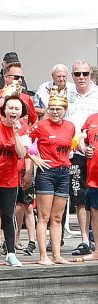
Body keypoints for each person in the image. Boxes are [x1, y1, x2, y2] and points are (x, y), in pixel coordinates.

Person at [28, 88, 76, 265]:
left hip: (64, 172)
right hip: (46, 172)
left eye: (58, 108)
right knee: (44, 216)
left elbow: (70, 146)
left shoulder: (70, 126)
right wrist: (34, 157)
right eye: (52, 108)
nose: (55, 112)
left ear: (65, 109)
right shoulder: (41, 125)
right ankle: (43, 256)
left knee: (58, 217)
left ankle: (57, 254)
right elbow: (25, 139)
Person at [0, 95, 29, 267]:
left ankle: (11, 253)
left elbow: (21, 153)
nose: (13, 111)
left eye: (17, 109)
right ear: (4, 109)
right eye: (10, 108)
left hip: (10, 179)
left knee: (7, 216)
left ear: (21, 112)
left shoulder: (23, 128)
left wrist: (16, 133)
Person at [66, 60, 98, 255]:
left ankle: (95, 237)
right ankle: (85, 239)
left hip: (96, 153)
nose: (81, 78)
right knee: (79, 198)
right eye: (77, 74)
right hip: (76, 151)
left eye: (85, 73)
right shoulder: (67, 95)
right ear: (73, 75)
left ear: (91, 74)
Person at [82, 107, 98, 261]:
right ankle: (97, 250)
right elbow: (84, 143)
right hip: (94, 175)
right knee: (95, 213)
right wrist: (86, 150)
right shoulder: (91, 118)